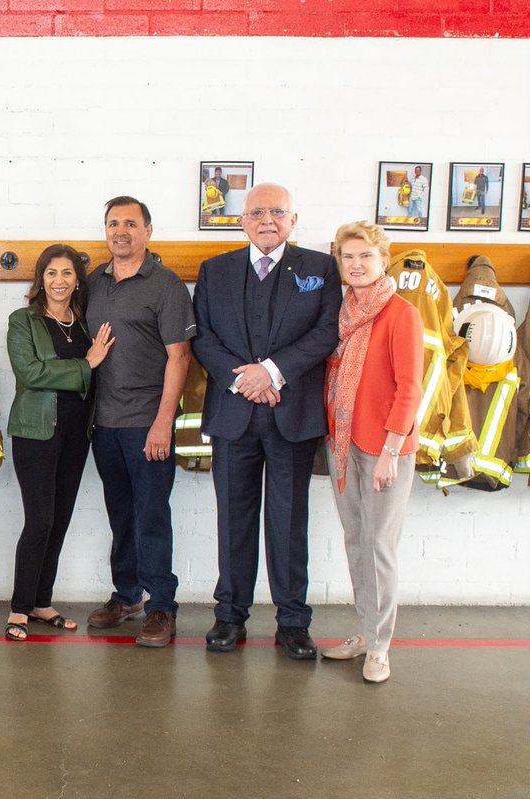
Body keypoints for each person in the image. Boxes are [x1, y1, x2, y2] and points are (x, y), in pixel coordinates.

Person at [191, 183, 341, 660]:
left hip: (291, 417)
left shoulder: (320, 268)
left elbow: (326, 332)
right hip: (234, 417)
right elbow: (203, 337)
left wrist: (271, 372)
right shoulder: (215, 271)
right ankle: (229, 617)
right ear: (242, 222)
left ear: (293, 220)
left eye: (278, 212)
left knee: (288, 523)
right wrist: (245, 381)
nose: (267, 220)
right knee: (233, 521)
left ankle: (293, 622)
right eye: (257, 212)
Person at [85, 197, 195, 647]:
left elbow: (180, 356)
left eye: (131, 223)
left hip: (147, 424)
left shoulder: (166, 285)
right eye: (113, 223)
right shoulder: (94, 281)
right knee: (121, 514)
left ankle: (162, 606)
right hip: (104, 425)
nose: (121, 230)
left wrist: (162, 422)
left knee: (152, 516)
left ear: (149, 230)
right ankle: (127, 595)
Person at [321, 221, 421, 684]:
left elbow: (409, 389)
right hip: (342, 442)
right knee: (356, 542)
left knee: (379, 546)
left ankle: (380, 647)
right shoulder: (342, 311)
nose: (357, 264)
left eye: (366, 256)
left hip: (385, 449)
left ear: (384, 260)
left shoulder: (401, 313)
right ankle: (366, 631)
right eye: (348, 257)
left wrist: (391, 451)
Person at [3, 244, 113, 642]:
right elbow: (31, 373)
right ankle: (18, 608)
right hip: (36, 432)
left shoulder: (84, 323)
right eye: (51, 273)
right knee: (40, 520)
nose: (59, 281)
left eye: (67, 274)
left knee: (61, 518)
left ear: (77, 281)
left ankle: (40, 601)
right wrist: (87, 364)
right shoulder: (23, 321)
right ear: (40, 279)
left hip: (76, 432)